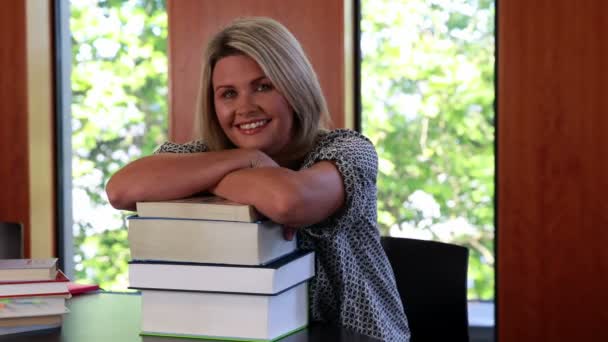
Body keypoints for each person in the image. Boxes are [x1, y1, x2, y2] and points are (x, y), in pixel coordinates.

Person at [106, 17, 410, 341]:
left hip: (356, 336)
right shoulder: (205, 152)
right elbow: (121, 190)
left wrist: (205, 178)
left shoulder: (349, 150)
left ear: (294, 86)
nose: (245, 107)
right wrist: (244, 160)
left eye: (263, 86)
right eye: (228, 94)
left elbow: (288, 201)